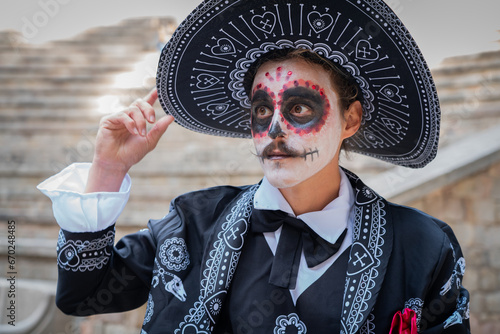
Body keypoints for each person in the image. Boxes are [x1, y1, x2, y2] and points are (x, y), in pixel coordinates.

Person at [38, 0, 471, 333]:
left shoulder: (424, 247)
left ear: (350, 119)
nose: (274, 129)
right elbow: (85, 297)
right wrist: (108, 170)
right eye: (262, 110)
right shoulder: (191, 224)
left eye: (300, 106)